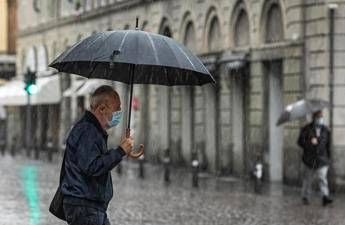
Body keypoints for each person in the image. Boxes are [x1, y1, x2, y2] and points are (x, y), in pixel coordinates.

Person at [61, 85, 138, 225]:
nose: (119, 112)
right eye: (117, 108)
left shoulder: (92, 130)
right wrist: (120, 151)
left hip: (91, 206)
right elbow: (92, 167)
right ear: (102, 109)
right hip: (86, 206)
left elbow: (93, 160)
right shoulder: (88, 131)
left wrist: (121, 151)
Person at [297, 110, 333, 206]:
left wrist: (328, 158)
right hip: (309, 159)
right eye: (318, 117)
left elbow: (328, 145)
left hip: (322, 159)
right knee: (308, 179)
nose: (320, 119)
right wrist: (310, 142)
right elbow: (300, 142)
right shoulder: (306, 129)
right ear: (314, 118)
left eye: (321, 117)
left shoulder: (326, 130)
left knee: (322, 178)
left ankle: (325, 197)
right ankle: (305, 196)